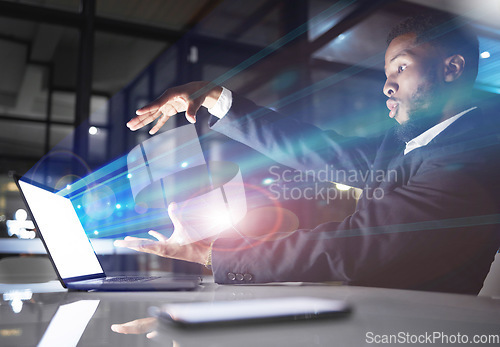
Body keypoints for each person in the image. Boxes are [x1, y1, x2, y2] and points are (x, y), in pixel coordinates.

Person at [115, 14, 500, 295]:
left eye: (401, 67)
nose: (387, 85)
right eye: (386, 73)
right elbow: (318, 151)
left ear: (451, 69)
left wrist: (213, 253)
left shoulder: (473, 163)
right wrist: (214, 97)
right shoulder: (409, 146)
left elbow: (354, 246)